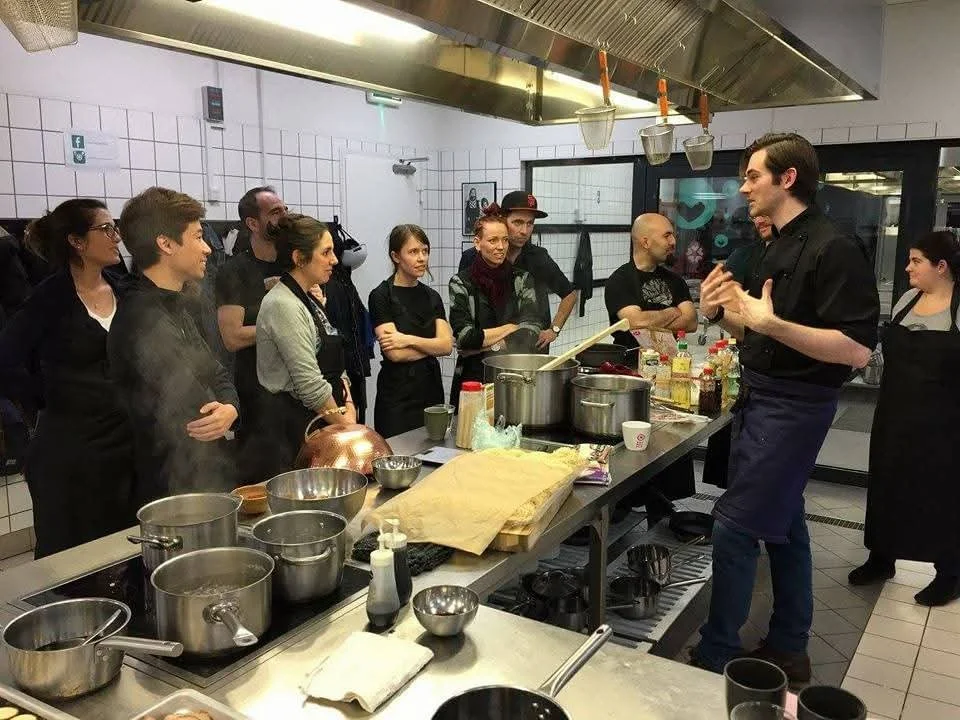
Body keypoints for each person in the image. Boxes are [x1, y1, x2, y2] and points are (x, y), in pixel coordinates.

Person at [693, 133, 879, 681]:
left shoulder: (834, 246)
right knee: (788, 523)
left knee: (732, 526)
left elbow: (857, 349)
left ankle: (715, 654)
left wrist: (768, 322)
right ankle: (791, 644)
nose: (744, 187)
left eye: (753, 176)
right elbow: (760, 333)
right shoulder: (777, 244)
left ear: (787, 178)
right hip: (760, 398)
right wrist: (716, 314)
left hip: (795, 407)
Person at [0, 199, 135, 558]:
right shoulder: (50, 297)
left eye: (115, 227)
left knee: (123, 548)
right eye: (106, 229)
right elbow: (6, 360)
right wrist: (45, 396)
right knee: (75, 556)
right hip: (71, 450)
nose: (116, 237)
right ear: (76, 241)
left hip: (123, 441)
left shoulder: (124, 289)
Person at [109, 187, 240, 507]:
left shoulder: (178, 305)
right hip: (169, 484)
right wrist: (220, 412)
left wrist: (230, 406)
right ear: (165, 244)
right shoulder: (140, 315)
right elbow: (185, 401)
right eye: (197, 236)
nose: (208, 248)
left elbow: (217, 372)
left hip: (203, 471)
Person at [849, 230, 960, 606]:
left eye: (916, 261)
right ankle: (881, 558)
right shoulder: (907, 301)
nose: (907, 267)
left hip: (944, 423)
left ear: (941, 267)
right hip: (894, 415)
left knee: (942, 494)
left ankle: (950, 572)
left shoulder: (959, 307)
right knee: (887, 485)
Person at [603, 212, 700, 525]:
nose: (673, 242)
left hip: (669, 376)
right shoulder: (620, 279)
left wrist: (653, 316)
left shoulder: (674, 280)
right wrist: (671, 313)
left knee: (667, 442)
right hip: (629, 376)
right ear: (645, 240)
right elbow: (632, 322)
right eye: (667, 235)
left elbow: (692, 321)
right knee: (630, 448)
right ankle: (621, 503)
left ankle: (662, 505)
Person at [256, 214, 357, 476]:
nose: (334, 260)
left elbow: (333, 361)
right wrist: (348, 428)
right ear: (299, 257)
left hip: (325, 420)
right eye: (326, 252)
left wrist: (350, 404)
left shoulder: (308, 299)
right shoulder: (283, 305)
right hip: (293, 428)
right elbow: (309, 384)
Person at [215, 186, 286, 484]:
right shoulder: (235, 271)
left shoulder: (293, 263)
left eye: (284, 209)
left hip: (296, 393)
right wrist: (284, 329)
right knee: (264, 482)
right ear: (252, 224)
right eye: (275, 213)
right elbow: (231, 336)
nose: (284, 217)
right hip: (258, 398)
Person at [459, 191, 577, 351]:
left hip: (530, 349)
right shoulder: (473, 257)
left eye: (530, 224)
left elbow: (569, 295)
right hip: (486, 350)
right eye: (518, 222)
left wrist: (554, 329)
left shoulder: (539, 257)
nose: (524, 231)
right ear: (502, 220)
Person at [448, 207, 541, 407]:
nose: (501, 247)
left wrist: (488, 346)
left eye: (505, 240)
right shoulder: (461, 283)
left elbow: (531, 331)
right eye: (493, 240)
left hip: (513, 375)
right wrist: (510, 328)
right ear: (477, 243)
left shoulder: (521, 279)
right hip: (472, 378)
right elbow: (465, 337)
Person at [369, 224, 453, 438]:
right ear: (396, 256)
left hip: (430, 388)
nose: (422, 258)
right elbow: (395, 354)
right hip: (397, 394)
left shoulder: (432, 296)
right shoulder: (381, 296)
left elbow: (446, 346)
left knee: (434, 450)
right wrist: (430, 346)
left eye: (425, 251)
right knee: (398, 453)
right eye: (413, 252)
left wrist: (406, 339)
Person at [323, 221, 374, 424]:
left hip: (350, 368)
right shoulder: (325, 288)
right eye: (326, 253)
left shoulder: (342, 283)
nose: (334, 260)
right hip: (332, 377)